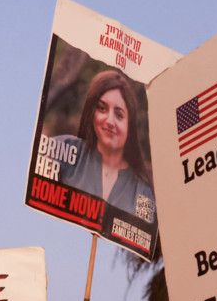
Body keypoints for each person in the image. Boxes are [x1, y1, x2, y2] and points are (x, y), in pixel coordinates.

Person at [56, 69, 154, 211]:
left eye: (119, 115)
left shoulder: (142, 191)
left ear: (130, 125)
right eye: (102, 108)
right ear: (92, 112)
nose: (109, 121)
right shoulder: (63, 148)